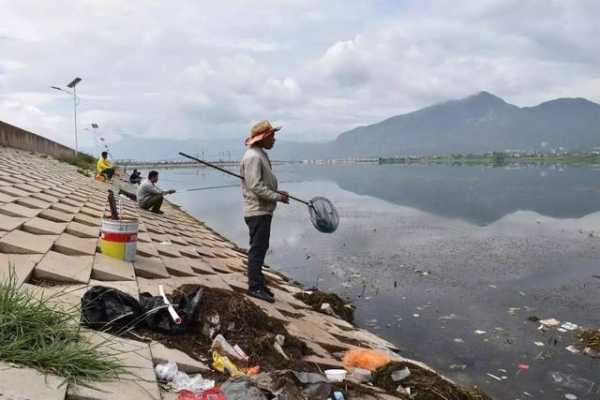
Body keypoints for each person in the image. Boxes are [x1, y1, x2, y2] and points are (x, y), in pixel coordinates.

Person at [240, 120, 289, 303]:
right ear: (264, 138)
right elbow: (255, 187)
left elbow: (262, 184)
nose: (274, 140)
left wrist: (277, 193)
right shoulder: (253, 156)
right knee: (258, 250)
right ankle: (254, 287)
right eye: (272, 136)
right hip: (257, 211)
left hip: (262, 211)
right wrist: (278, 197)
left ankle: (259, 282)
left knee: (261, 247)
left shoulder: (260, 154)